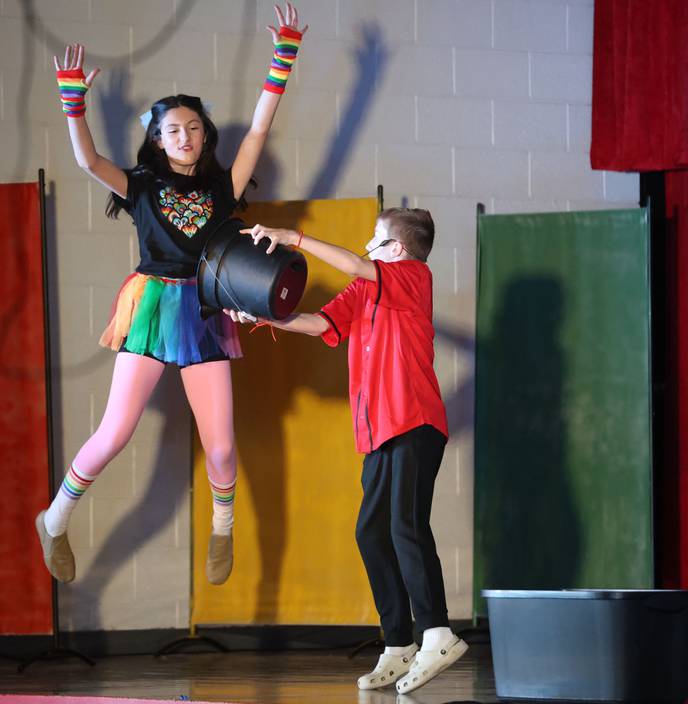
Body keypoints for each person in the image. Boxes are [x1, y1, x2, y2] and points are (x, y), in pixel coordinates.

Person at [35, 3, 307, 587]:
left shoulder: (222, 184)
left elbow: (258, 130)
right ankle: (55, 518)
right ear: (157, 141)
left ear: (204, 134)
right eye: (171, 130)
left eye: (193, 127)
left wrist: (282, 58)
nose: (184, 136)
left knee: (223, 445)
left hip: (205, 308)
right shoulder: (141, 185)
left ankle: (223, 525)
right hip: (154, 303)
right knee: (115, 431)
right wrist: (72, 102)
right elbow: (86, 159)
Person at [225, 209, 468, 694]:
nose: (367, 244)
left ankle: (437, 633)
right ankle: (399, 643)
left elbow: (359, 267)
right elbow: (320, 323)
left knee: (405, 525)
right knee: (370, 532)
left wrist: (291, 236)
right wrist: (265, 313)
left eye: (376, 238)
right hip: (378, 431)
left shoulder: (413, 277)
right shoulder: (365, 292)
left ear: (396, 249)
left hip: (415, 420)